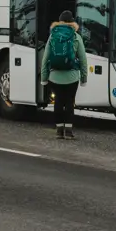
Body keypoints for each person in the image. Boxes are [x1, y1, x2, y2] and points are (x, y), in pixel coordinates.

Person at [40, 10, 87, 139]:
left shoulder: (52, 37)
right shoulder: (77, 37)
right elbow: (83, 60)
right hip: (72, 78)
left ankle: (59, 131)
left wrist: (44, 78)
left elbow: (45, 59)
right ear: (72, 22)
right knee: (70, 102)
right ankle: (69, 132)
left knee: (58, 102)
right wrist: (84, 78)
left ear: (59, 22)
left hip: (54, 77)